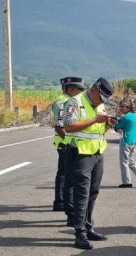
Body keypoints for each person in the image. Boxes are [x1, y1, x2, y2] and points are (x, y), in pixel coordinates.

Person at [63, 77, 116, 250]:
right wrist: (95, 120)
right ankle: (79, 234)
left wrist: (107, 124)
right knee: (81, 194)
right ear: (93, 90)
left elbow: (98, 132)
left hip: (97, 153)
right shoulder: (74, 102)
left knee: (93, 192)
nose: (102, 102)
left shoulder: (99, 105)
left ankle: (88, 227)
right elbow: (68, 126)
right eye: (101, 97)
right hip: (79, 154)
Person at [51, 77, 85, 217]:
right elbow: (59, 126)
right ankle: (61, 202)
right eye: (79, 90)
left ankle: (60, 201)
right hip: (65, 142)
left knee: (64, 173)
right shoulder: (64, 102)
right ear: (69, 89)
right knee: (66, 174)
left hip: (65, 141)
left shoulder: (65, 100)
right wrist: (68, 141)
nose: (82, 92)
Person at [114, 99, 136, 188]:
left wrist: (117, 119)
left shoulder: (126, 117)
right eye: (120, 106)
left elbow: (118, 127)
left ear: (128, 108)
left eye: (123, 107)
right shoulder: (134, 116)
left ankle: (126, 182)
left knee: (124, 162)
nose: (121, 108)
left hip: (126, 140)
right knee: (130, 161)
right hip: (134, 141)